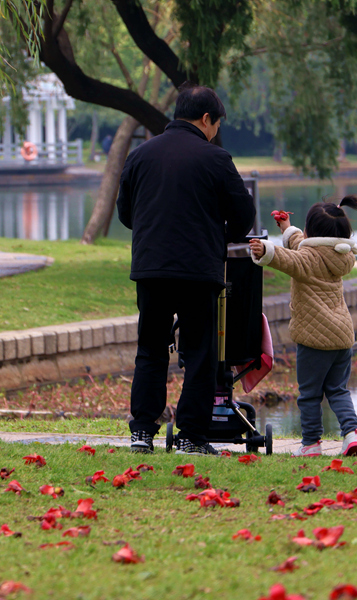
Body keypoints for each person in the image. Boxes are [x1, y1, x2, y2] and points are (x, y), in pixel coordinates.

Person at [116, 85, 256, 455]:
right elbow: (244, 215)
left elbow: (126, 214)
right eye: (216, 124)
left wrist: (154, 232)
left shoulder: (139, 155)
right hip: (198, 270)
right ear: (206, 119)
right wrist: (220, 236)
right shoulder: (216, 159)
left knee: (150, 349)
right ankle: (191, 436)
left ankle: (142, 433)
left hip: (151, 267)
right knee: (198, 353)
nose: (215, 132)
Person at [249, 195, 357, 457]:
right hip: (343, 335)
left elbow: (289, 259)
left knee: (310, 394)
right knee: (338, 389)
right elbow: (300, 246)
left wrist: (266, 250)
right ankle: (352, 433)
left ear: (313, 231)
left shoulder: (308, 260)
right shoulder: (341, 257)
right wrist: (287, 228)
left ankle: (311, 443)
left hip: (315, 338)